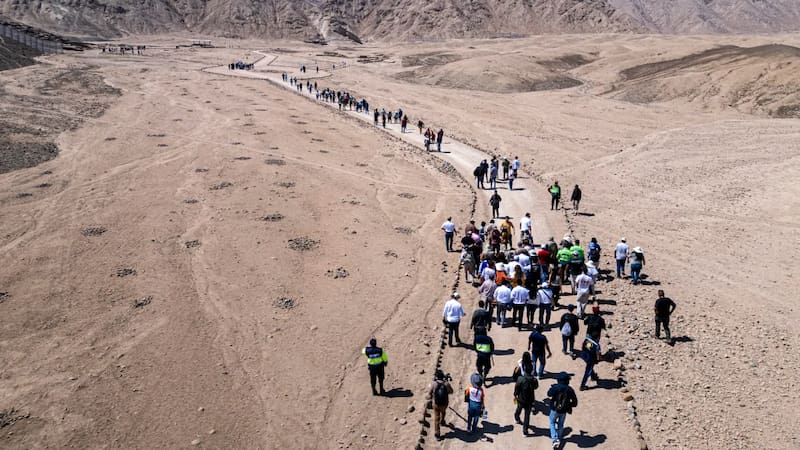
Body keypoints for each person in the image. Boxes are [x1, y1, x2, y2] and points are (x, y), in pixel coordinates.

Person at [548, 372, 578, 448]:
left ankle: (555, 439)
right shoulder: (570, 389)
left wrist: (552, 388)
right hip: (564, 410)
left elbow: (548, 394)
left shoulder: (555, 387)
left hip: (554, 409)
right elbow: (575, 402)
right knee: (561, 424)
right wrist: (569, 405)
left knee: (552, 422)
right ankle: (559, 437)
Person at [427, 370, 454, 440]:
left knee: (436, 418)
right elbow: (451, 392)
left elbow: (429, 394)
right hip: (444, 403)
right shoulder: (446, 384)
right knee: (443, 412)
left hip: (436, 404)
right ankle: (442, 421)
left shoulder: (433, 384)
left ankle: (437, 434)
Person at [513, 368, 538, 436]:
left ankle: (516, 418)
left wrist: (515, 394)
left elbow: (517, 387)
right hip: (530, 400)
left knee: (518, 409)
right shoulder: (534, 380)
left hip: (521, 399)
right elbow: (536, 387)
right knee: (527, 416)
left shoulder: (520, 379)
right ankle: (525, 430)